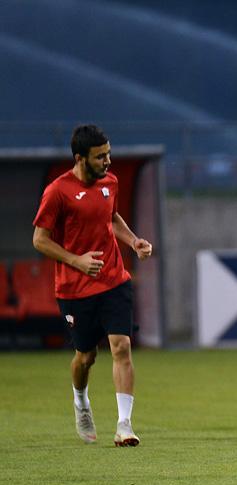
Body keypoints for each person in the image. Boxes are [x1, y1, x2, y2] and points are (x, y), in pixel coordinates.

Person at [32, 124, 153, 446]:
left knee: (121, 346)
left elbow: (111, 217)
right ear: (80, 158)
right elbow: (39, 240)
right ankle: (81, 400)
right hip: (75, 288)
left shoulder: (110, 182)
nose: (107, 161)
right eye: (100, 157)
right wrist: (77, 261)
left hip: (114, 280)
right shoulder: (58, 191)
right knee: (85, 357)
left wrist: (133, 241)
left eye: (108, 154)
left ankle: (124, 425)